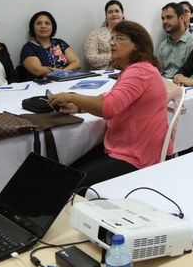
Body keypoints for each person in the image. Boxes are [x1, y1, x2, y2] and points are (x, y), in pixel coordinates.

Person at [49, 21, 169, 187]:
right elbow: (110, 98)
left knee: (68, 182)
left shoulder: (139, 72)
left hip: (135, 155)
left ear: (137, 45)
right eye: (112, 38)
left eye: (119, 38)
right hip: (125, 145)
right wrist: (79, 107)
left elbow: (108, 107)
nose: (112, 43)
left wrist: (72, 97)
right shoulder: (138, 69)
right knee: (67, 171)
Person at [20, 11, 81, 78]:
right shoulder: (28, 48)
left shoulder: (60, 43)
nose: (43, 26)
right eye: (39, 23)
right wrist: (63, 71)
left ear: (52, 27)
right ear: (33, 27)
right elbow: (38, 71)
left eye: (47, 23)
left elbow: (77, 63)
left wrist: (63, 71)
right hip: (43, 85)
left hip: (66, 81)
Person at [156, 2, 193, 78]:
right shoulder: (162, 46)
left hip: (185, 86)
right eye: (163, 18)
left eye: (169, 17)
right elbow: (157, 71)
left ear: (181, 18)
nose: (164, 21)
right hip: (164, 85)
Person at [84, 0, 125, 69]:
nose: (114, 14)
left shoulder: (132, 33)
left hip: (129, 71)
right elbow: (90, 58)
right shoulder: (96, 34)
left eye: (117, 11)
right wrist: (114, 57)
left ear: (123, 13)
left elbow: (138, 53)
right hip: (104, 74)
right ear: (106, 15)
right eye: (110, 12)